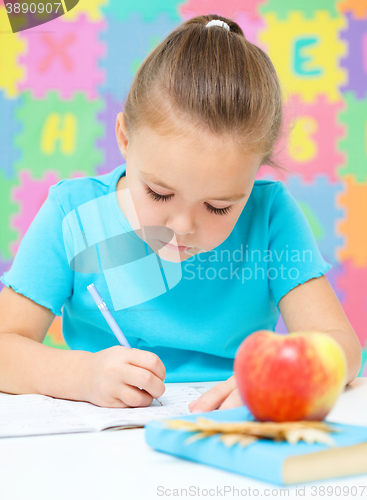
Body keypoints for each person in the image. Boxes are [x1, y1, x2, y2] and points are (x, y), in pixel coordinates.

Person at [0, 15, 362, 412]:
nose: (183, 226)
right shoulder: (72, 214)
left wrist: (289, 378)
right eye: (159, 193)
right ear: (124, 138)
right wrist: (83, 375)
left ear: (255, 171)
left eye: (218, 206)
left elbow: (340, 342)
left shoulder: (270, 215)